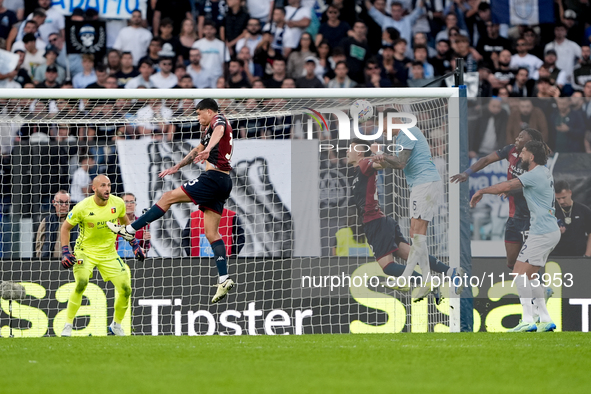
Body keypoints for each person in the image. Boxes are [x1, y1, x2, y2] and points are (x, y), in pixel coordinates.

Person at [107, 99, 235, 304]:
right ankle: (224, 278)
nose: (198, 118)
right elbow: (195, 151)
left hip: (213, 179)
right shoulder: (208, 131)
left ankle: (130, 230)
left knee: (167, 198)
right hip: (224, 181)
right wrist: (177, 167)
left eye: (200, 114)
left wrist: (208, 150)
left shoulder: (219, 120)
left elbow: (219, 131)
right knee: (211, 233)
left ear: (210, 112)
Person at [347, 138, 464, 300]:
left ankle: (428, 281)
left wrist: (381, 157)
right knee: (411, 255)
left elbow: (380, 165)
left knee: (387, 267)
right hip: (382, 220)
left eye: (350, 148)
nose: (347, 151)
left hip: (374, 222)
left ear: (359, 152)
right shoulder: (358, 170)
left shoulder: (363, 163)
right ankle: (451, 272)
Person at [470, 140, 559, 332]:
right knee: (532, 276)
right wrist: (510, 191)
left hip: (541, 232)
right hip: (549, 230)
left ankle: (527, 319)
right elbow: (525, 188)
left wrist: (482, 190)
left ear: (532, 157)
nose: (520, 156)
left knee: (518, 274)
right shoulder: (543, 171)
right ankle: (545, 318)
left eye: (524, 152)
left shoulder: (534, 174)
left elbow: (506, 185)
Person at [60, 175, 145, 337]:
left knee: (126, 289)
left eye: (109, 185)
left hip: (109, 253)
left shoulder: (118, 204)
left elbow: (127, 226)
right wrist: (66, 251)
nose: (107, 189)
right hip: (85, 252)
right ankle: (68, 325)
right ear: (94, 188)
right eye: (103, 186)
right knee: (81, 283)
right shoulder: (82, 207)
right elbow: (65, 228)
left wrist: (135, 244)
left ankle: (116, 325)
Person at [372, 108, 443, 297]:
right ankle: (427, 279)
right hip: (420, 185)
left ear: (392, 119)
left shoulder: (408, 131)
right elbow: (395, 164)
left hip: (426, 184)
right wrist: (378, 157)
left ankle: (405, 277)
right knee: (417, 235)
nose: (382, 130)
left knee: (417, 233)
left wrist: (383, 156)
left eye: (383, 124)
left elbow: (400, 163)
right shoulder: (400, 138)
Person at [452, 128, 545, 270]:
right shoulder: (511, 150)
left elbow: (532, 186)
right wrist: (467, 173)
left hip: (530, 217)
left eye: (521, 137)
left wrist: (511, 191)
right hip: (513, 217)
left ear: (530, 142)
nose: (517, 138)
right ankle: (534, 288)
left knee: (528, 263)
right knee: (512, 262)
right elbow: (486, 159)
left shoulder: (536, 161)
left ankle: (539, 289)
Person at [552, 180, 591, 257]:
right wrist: (555, 232)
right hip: (556, 255)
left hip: (579, 255)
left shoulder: (583, 210)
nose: (561, 201)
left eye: (564, 197)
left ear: (570, 193)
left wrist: (587, 255)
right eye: (558, 199)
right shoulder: (552, 212)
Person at [35, 190, 77, 259]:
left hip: (72, 262)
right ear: (54, 203)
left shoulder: (76, 221)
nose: (64, 205)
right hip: (51, 263)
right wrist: (42, 261)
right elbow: (39, 244)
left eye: (66, 203)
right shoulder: (47, 221)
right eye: (60, 202)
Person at [117, 193, 151, 258]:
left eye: (132, 202)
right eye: (126, 202)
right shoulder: (114, 223)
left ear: (135, 205)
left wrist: (146, 241)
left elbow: (145, 249)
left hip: (136, 261)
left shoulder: (142, 223)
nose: (129, 205)